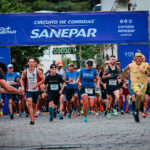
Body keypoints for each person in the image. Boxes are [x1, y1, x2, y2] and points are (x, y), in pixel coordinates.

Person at [121, 52, 150, 122]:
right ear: (135, 59)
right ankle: (136, 111)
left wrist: (145, 72)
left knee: (140, 98)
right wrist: (122, 79)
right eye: (138, 58)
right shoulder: (131, 65)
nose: (139, 60)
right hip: (134, 84)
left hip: (143, 85)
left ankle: (137, 111)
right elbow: (124, 70)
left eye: (141, 58)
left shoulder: (146, 65)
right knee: (137, 95)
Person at [21, 57, 45, 125]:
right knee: (29, 102)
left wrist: (37, 85)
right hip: (28, 90)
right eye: (30, 62)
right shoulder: (25, 72)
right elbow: (22, 79)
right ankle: (32, 119)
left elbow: (43, 79)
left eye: (32, 62)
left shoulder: (38, 71)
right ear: (28, 63)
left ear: (35, 63)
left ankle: (33, 116)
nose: (31, 63)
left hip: (36, 90)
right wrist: (23, 86)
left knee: (34, 105)